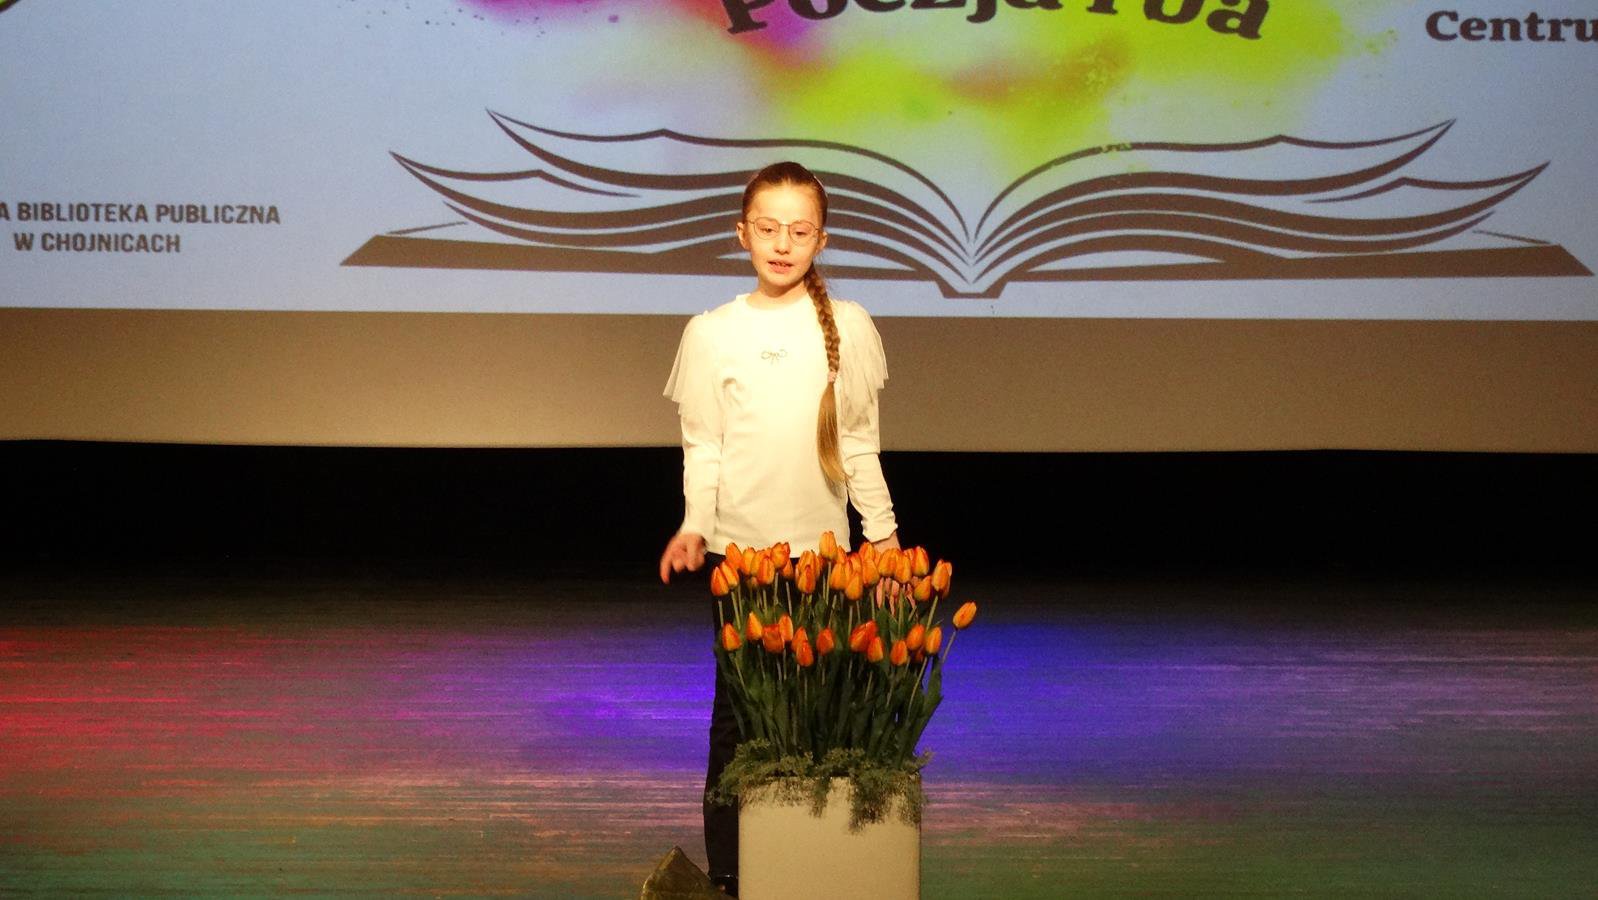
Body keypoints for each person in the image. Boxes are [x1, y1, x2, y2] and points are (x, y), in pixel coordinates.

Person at [657, 161, 900, 897]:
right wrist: (695, 525)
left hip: (822, 562)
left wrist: (884, 541)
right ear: (743, 234)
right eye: (768, 229)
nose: (782, 244)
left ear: (821, 240)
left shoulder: (847, 326)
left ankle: (805, 866)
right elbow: (705, 446)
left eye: (799, 231)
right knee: (736, 721)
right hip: (739, 561)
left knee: (814, 719)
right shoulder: (713, 332)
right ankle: (732, 877)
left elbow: (858, 445)